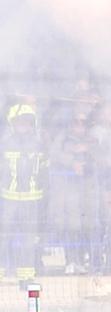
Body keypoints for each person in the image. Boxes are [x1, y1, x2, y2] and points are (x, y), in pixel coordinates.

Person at [0, 100, 46, 281]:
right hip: (8, 199)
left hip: (32, 200)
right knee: (3, 235)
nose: (23, 125)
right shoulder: (4, 144)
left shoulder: (39, 144)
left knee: (29, 239)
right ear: (12, 123)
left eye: (27, 121)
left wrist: (44, 196)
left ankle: (26, 275)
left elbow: (45, 171)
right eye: (20, 121)